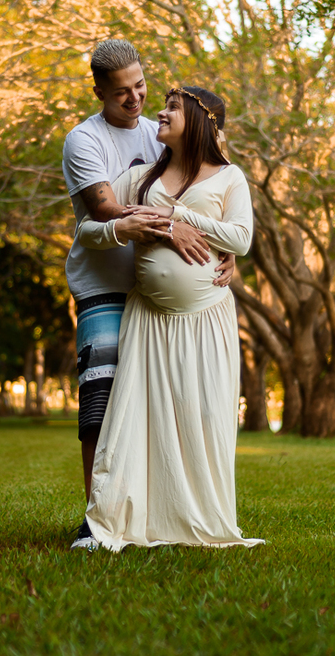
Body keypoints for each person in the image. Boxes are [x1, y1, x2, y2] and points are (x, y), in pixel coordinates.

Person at [62, 40, 234, 550]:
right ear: (99, 91)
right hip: (104, 286)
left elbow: (205, 187)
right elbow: (104, 209)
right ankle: (97, 519)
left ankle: (149, 514)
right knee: (102, 403)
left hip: (152, 300)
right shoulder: (84, 140)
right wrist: (172, 227)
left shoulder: (159, 132)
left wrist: (227, 248)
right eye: (121, 92)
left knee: (158, 406)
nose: (135, 98)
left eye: (140, 85)